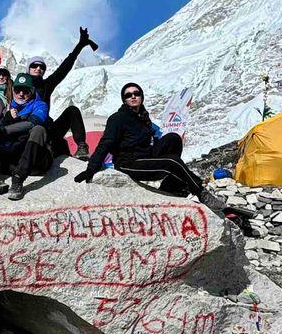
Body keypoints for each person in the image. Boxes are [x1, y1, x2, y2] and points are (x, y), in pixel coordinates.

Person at [76, 83, 248, 231]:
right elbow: (105, 143)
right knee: (171, 162)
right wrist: (91, 169)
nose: (133, 96)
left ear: (141, 96)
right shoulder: (118, 118)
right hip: (128, 163)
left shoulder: (142, 118)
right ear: (124, 100)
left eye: (136, 93)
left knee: (173, 138)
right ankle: (201, 192)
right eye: (128, 95)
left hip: (144, 156)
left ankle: (171, 186)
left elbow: (150, 141)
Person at [0, 73, 53, 201]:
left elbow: (32, 123)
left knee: (38, 130)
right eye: (18, 90)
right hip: (13, 158)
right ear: (13, 91)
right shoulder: (10, 107)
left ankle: (18, 180)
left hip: (35, 161)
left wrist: (4, 128)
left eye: (25, 91)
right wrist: (7, 118)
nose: (21, 94)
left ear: (32, 91)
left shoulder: (40, 105)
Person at [27, 27, 98, 160]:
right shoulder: (19, 88)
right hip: (27, 132)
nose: (38, 68)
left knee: (72, 111)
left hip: (47, 130)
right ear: (28, 69)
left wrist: (80, 45)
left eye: (42, 67)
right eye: (34, 66)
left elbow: (64, 68)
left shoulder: (46, 85)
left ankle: (82, 147)